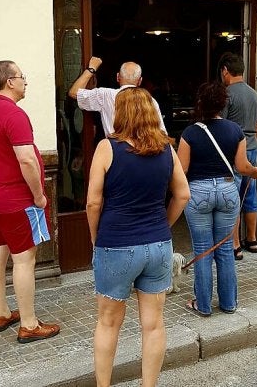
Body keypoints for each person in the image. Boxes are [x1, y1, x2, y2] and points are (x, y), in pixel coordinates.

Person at [86, 87, 190, 387]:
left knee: (108, 322)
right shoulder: (167, 150)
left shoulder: (107, 148)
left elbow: (93, 202)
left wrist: (96, 238)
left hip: (116, 244)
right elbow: (183, 194)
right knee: (154, 324)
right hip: (158, 244)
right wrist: (163, 225)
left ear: (120, 113)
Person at [0, 60, 61, 343]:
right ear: (9, 81)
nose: (25, 82)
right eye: (22, 77)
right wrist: (38, 195)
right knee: (24, 260)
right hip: (16, 199)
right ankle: (29, 324)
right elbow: (26, 159)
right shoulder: (14, 114)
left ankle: (2, 312)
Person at [177, 81, 257, 316]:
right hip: (227, 190)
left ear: (199, 104)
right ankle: (228, 303)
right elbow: (242, 166)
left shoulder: (190, 133)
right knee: (225, 249)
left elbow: (181, 170)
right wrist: (255, 172)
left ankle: (203, 305)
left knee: (203, 250)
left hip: (198, 192)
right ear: (223, 104)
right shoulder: (234, 130)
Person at [219, 52, 257, 259]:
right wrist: (251, 141)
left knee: (233, 197)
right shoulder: (254, 94)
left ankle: (235, 245)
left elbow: (222, 126)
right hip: (252, 147)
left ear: (225, 71)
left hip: (233, 151)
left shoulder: (226, 94)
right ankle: (252, 240)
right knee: (250, 194)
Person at [68, 56, 166, 136]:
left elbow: (74, 92)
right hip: (144, 155)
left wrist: (91, 69)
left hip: (115, 153)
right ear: (140, 81)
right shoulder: (150, 100)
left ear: (118, 77)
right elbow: (162, 134)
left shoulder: (105, 95)